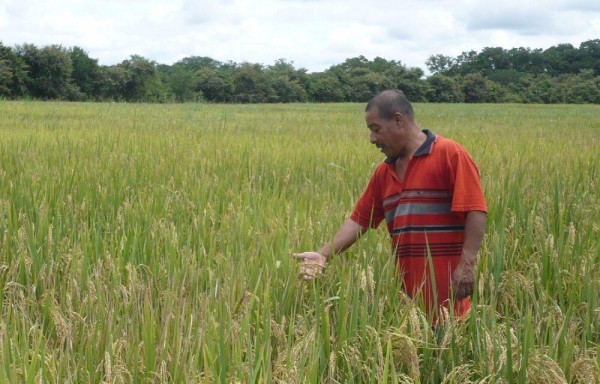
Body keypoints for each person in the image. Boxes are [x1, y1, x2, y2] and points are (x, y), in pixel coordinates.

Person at [293, 90, 487, 320]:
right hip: (408, 307)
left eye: (376, 129)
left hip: (449, 303)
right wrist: (323, 254)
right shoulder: (384, 172)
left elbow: (476, 208)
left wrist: (467, 264)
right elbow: (359, 220)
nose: (372, 139)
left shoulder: (449, 153)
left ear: (398, 120)